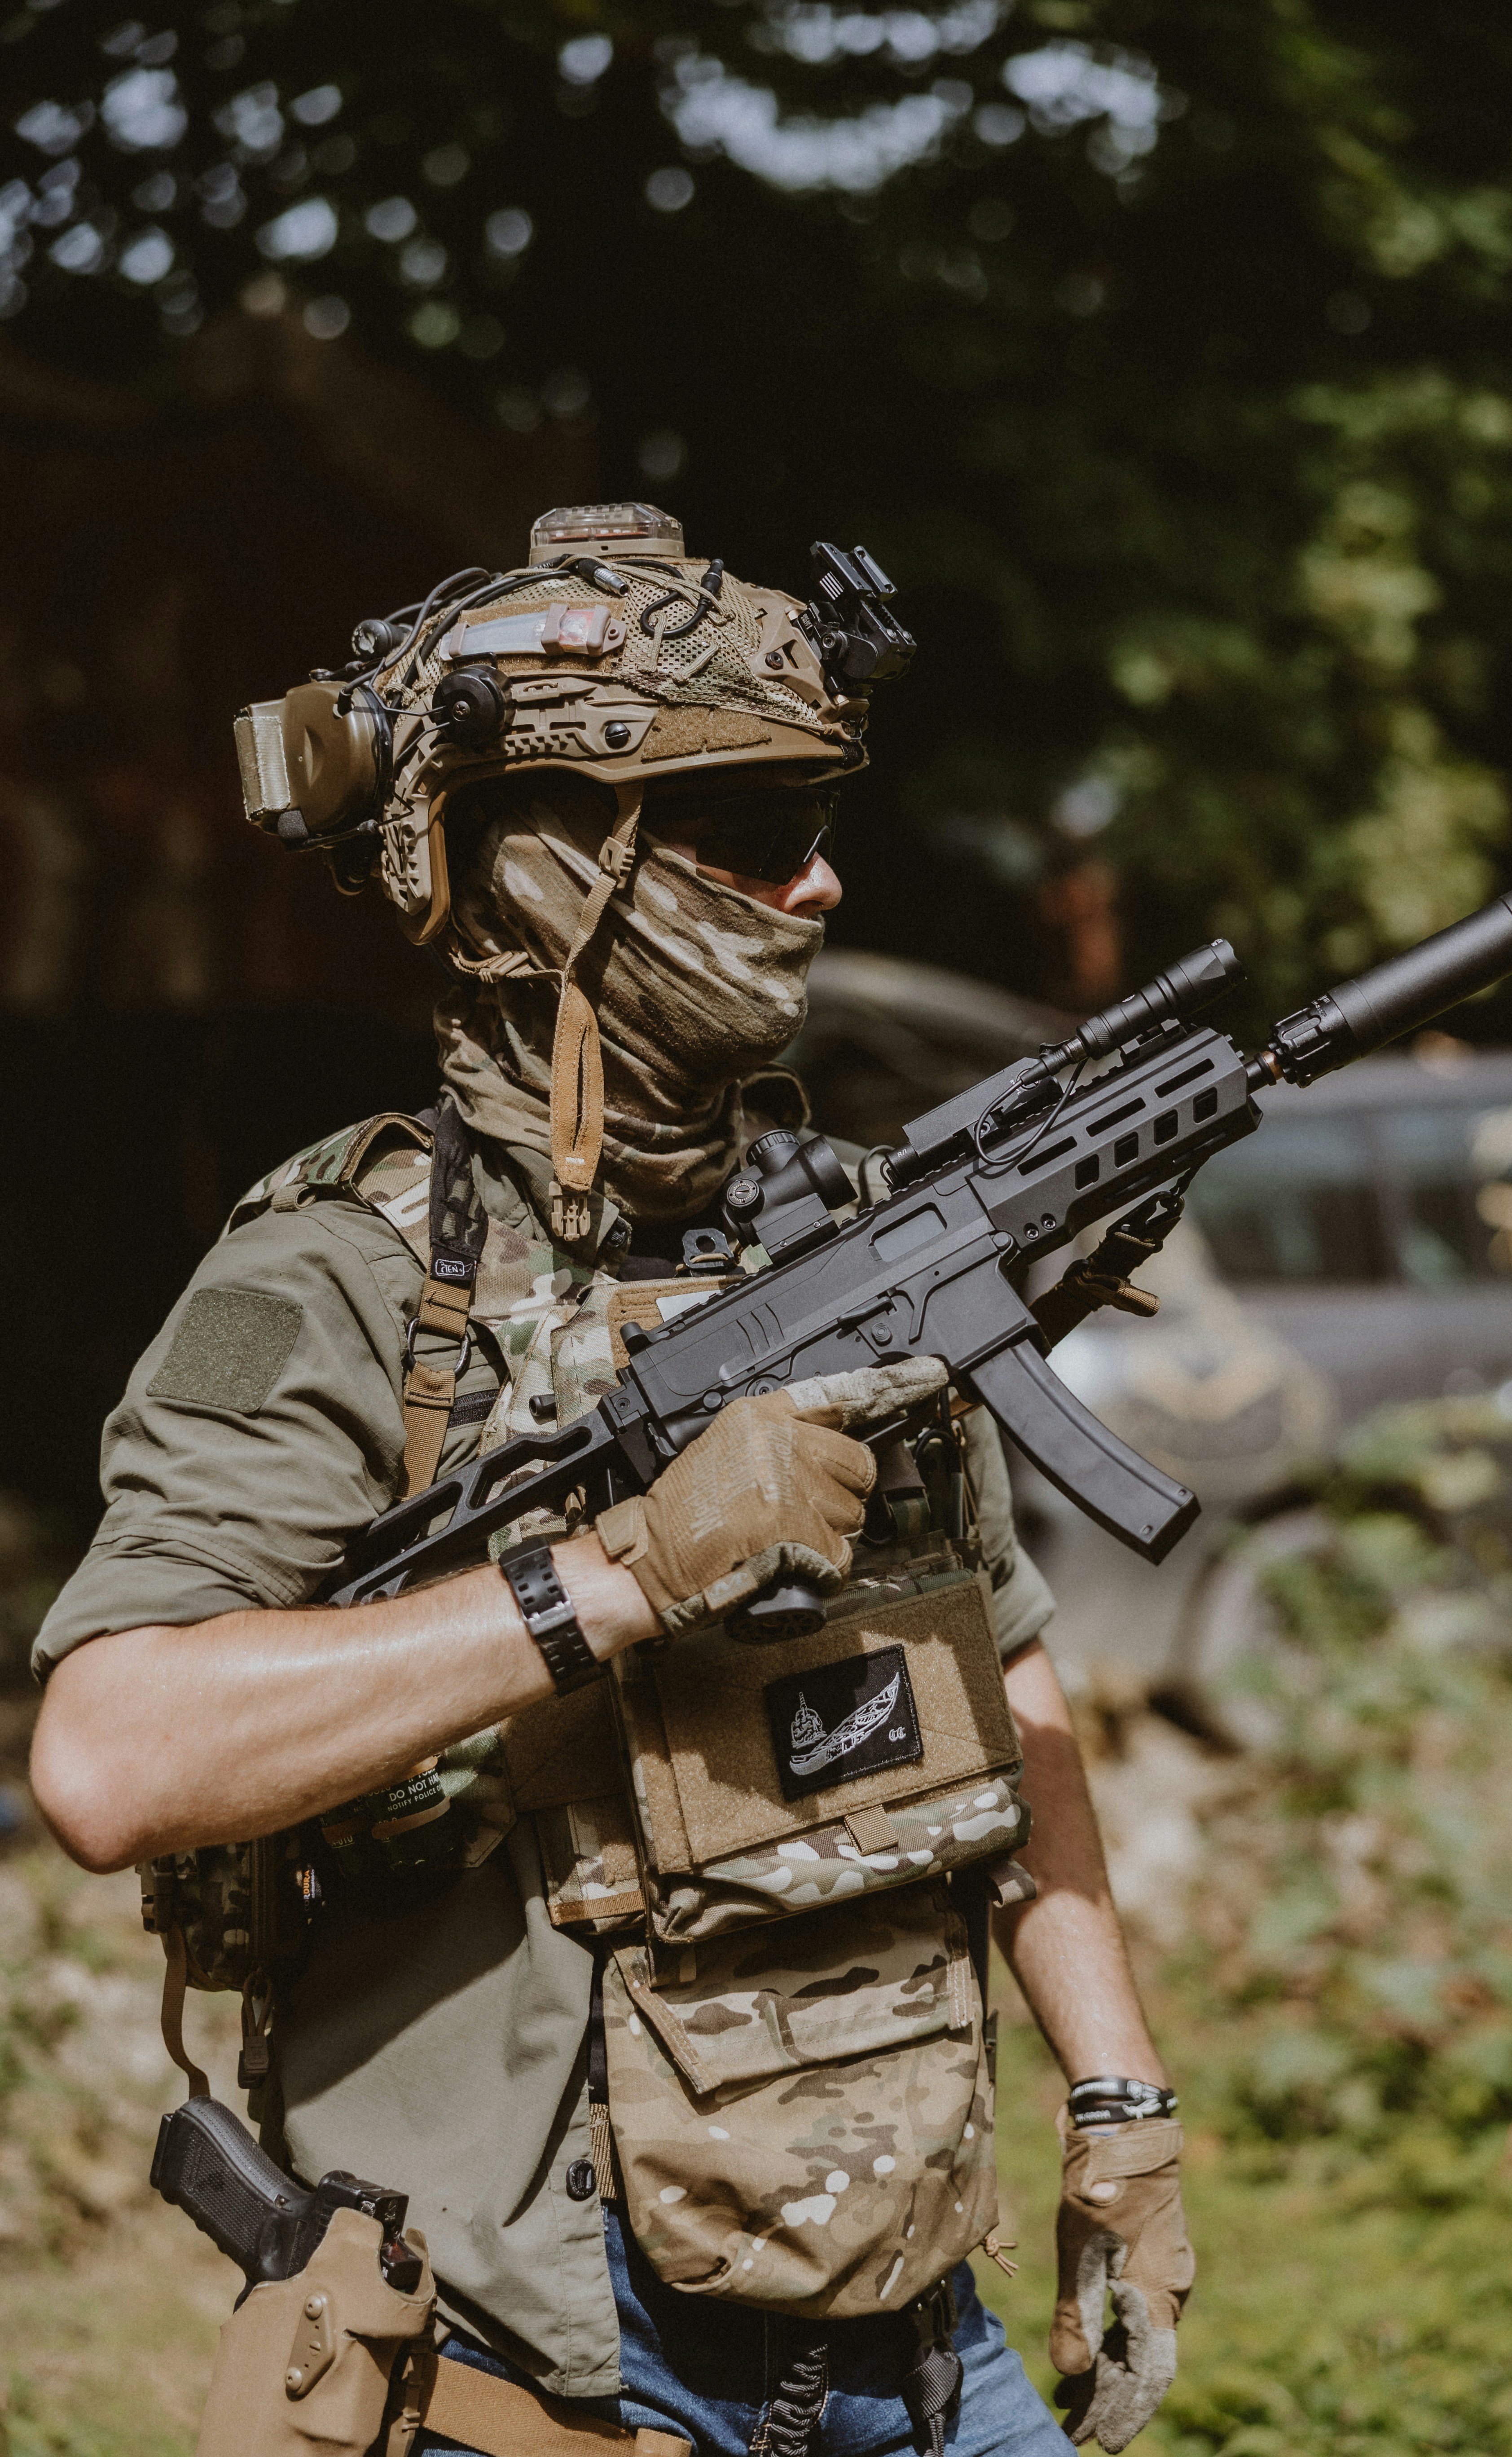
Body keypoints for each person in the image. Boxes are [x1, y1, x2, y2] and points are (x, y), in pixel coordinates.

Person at [28, 504, 1191, 2457]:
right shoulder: (336, 1279)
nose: (817, 886)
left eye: (823, 821)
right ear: (557, 876)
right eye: (749, 831)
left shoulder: (842, 1236)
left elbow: (1016, 1685)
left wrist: (1121, 2104)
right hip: (527, 2368)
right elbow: (105, 1758)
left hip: (914, 2330)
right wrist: (624, 1579)